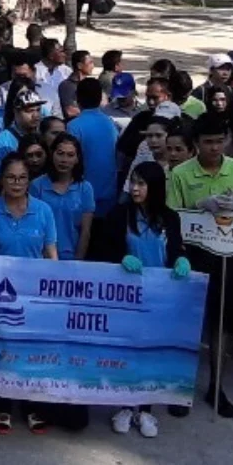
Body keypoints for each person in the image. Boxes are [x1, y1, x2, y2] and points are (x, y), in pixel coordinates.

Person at [167, 112, 233, 418]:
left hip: (230, 258)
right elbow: (169, 218)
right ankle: (180, 388)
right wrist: (198, 208)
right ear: (195, 144)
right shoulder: (180, 174)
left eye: (220, 141)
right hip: (193, 256)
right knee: (189, 324)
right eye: (208, 142)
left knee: (222, 324)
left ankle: (216, 386)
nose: (215, 148)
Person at [98, 162, 190, 438]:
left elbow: (176, 250)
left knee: (152, 353)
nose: (135, 188)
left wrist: (182, 259)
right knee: (127, 352)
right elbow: (103, 251)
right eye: (132, 182)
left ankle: (146, 408)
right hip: (127, 297)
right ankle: (125, 406)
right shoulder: (119, 214)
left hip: (160, 299)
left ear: (156, 187)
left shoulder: (170, 218)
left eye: (141, 183)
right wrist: (120, 260)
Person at [0, 153, 58, 434]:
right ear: (0, 180)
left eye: (23, 178)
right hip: (1, 295)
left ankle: (33, 407)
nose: (17, 182)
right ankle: (2, 406)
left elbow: (51, 253)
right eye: (11, 177)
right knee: (4, 350)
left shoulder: (44, 211)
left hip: (34, 294)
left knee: (31, 351)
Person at [29, 133, 94, 260]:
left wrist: (78, 261)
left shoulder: (85, 188)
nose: (64, 160)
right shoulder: (37, 186)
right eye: (60, 153)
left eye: (70, 155)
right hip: (41, 257)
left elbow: (85, 231)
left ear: (77, 159)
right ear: (52, 154)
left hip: (71, 257)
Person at [66, 78, 120, 216]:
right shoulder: (110, 123)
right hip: (110, 195)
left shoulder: (74, 126)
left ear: (77, 98)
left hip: (82, 199)